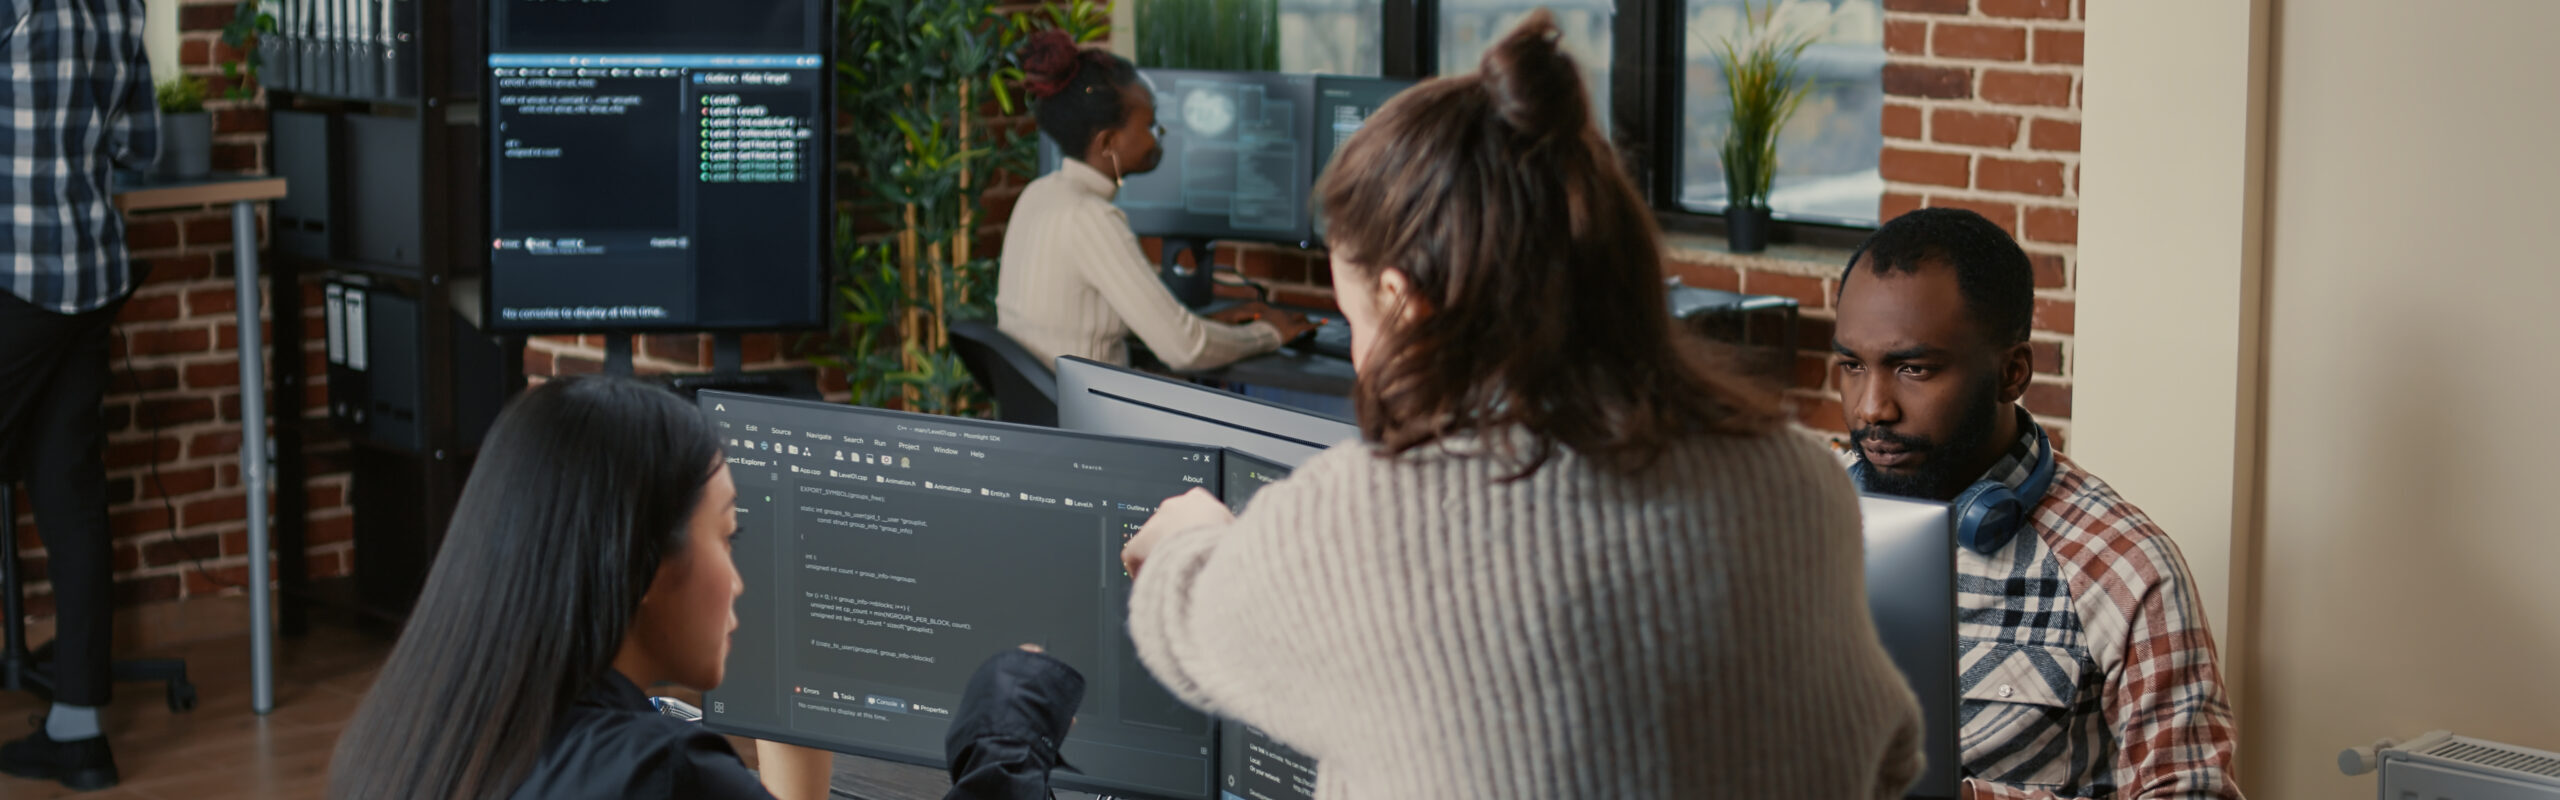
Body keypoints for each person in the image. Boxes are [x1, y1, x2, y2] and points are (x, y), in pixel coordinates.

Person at [1114, 13, 1923, 798]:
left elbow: (1189, 621)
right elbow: (1888, 756)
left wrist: (1193, 538)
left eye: (1358, 319)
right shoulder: (1799, 484)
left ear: (1401, 303)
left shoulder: (1362, 522)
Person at [325, 377, 1088, 800]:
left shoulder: (420, 732)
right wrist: (1005, 724)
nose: (742, 578)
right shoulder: (658, 776)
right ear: (648, 564)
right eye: (729, 536)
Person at [1830, 208, 2242, 800]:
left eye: (1913, 368)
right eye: (1852, 365)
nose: (1871, 408)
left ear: (2012, 372)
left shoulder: (2126, 568)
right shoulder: (1799, 529)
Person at [0, 0, 160, 790]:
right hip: (90, 272)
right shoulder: (120, 5)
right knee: (71, 496)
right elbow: (139, 145)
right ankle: (78, 733)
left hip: (14, 276)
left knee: (68, 494)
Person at [994, 32, 1315, 372]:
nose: (1158, 134)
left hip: (1047, 416)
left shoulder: (1038, 194)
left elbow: (1078, 317)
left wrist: (1208, 324)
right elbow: (1185, 350)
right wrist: (1268, 334)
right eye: (1149, 124)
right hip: (1089, 421)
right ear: (1108, 143)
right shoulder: (1091, 218)